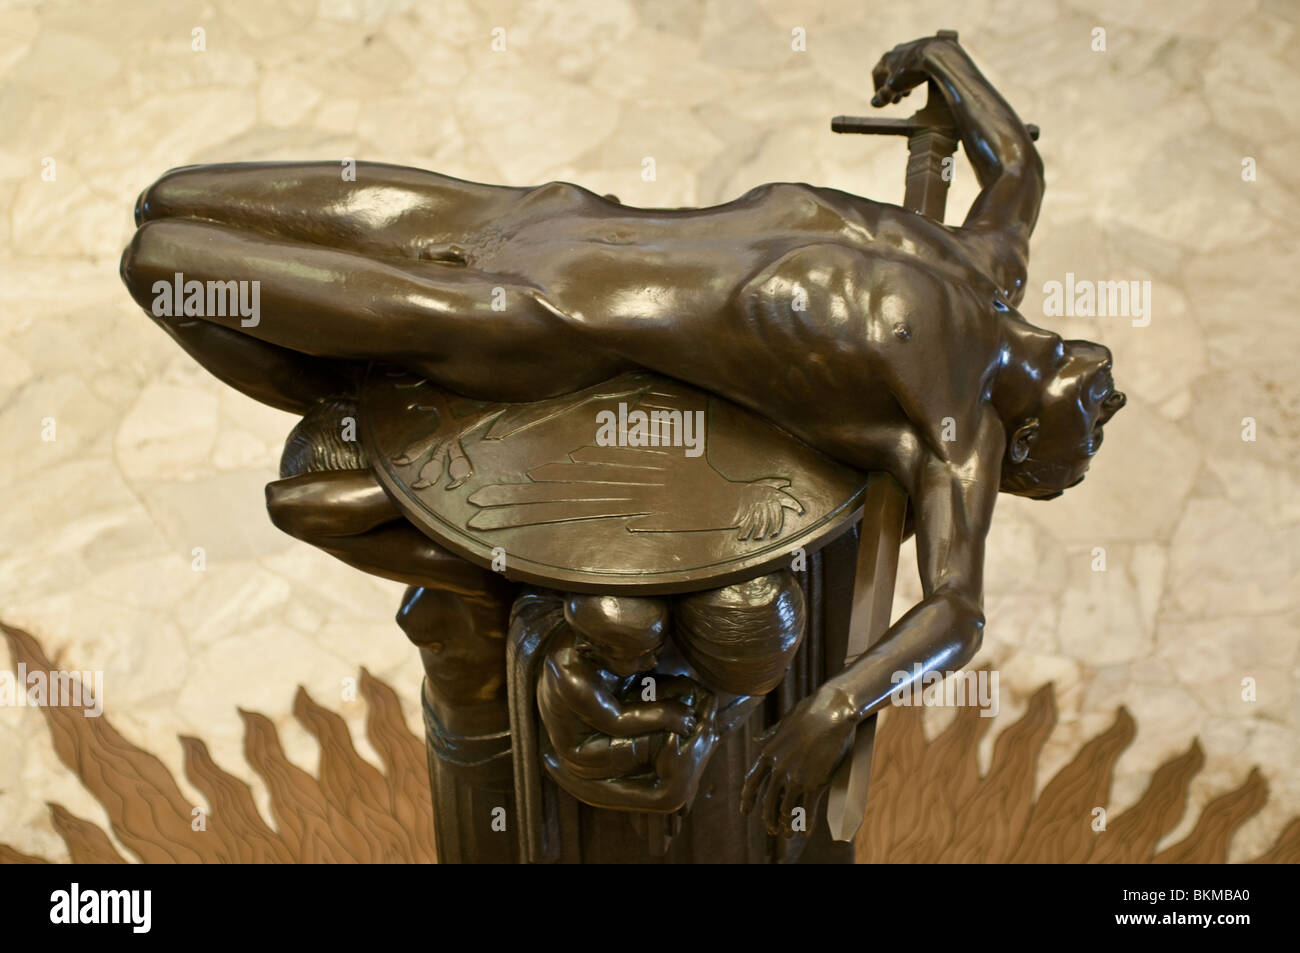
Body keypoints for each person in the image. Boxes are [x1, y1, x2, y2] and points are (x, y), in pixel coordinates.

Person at [120, 34, 1126, 836]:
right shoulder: (984, 265)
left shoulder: (951, 424)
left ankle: (344, 396)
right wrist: (941, 59)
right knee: (171, 194)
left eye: (1085, 439)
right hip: (535, 216)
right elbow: (1018, 163)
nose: (1109, 401)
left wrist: (835, 705)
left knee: (164, 265)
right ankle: (345, 390)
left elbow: (956, 612)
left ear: (1030, 442)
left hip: (516, 319)